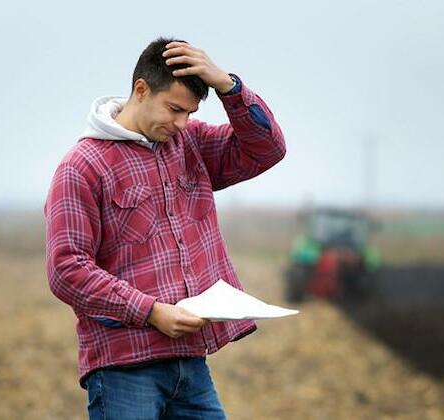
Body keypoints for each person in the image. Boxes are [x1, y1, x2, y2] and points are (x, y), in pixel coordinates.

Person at [44, 36, 286, 419]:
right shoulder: (82, 167)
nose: (181, 123)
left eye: (189, 113)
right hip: (124, 368)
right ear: (141, 89)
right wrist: (151, 311)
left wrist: (229, 87)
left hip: (191, 365)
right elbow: (67, 270)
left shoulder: (190, 144)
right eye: (174, 109)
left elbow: (267, 149)